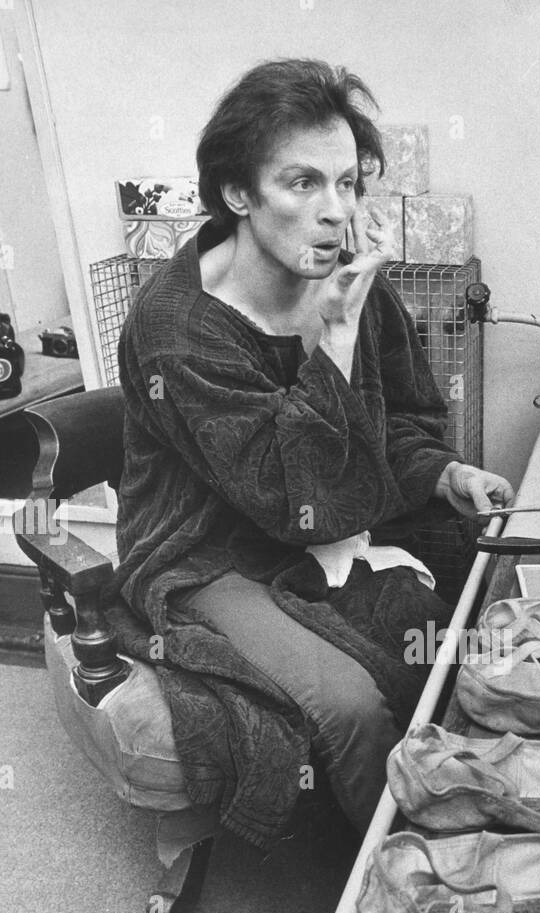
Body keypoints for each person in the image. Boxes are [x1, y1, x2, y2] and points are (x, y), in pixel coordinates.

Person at [110, 59, 514, 845]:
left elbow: (396, 419)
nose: (335, 213)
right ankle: (395, 872)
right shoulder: (180, 329)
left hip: (320, 512)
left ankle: (459, 796)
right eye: (301, 184)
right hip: (206, 549)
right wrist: (335, 332)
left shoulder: (341, 273)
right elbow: (283, 496)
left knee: (473, 601)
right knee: (349, 702)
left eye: (347, 184)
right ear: (238, 194)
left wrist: (446, 471)